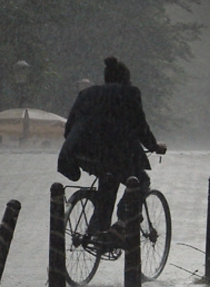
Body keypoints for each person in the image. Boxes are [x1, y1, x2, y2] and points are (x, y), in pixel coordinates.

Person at [57, 56, 167, 239]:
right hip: (116, 153)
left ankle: (96, 232)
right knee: (140, 182)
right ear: (126, 80)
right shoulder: (130, 93)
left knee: (108, 182)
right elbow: (141, 126)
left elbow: (69, 128)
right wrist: (154, 146)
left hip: (83, 153)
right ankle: (122, 222)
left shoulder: (87, 94)